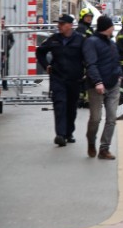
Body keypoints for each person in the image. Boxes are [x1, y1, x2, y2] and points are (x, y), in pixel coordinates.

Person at [36, 14, 86, 147]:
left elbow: (88, 57)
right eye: (59, 24)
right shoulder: (54, 39)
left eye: (62, 24)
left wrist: (86, 72)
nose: (59, 26)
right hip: (58, 78)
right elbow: (40, 52)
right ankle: (60, 135)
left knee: (71, 107)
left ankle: (69, 133)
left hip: (74, 79)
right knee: (60, 105)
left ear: (70, 25)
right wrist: (46, 65)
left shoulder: (80, 40)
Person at [83, 16, 122, 160]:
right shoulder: (91, 42)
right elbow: (91, 64)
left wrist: (119, 74)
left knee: (111, 118)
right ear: (107, 27)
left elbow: (116, 62)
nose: (114, 29)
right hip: (96, 87)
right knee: (96, 118)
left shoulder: (112, 44)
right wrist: (98, 82)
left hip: (113, 85)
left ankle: (104, 148)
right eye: (112, 26)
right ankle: (91, 140)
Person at [0, 17, 14, 91]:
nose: (2, 22)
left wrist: (8, 47)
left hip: (5, 53)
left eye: (3, 21)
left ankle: (4, 85)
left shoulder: (8, 31)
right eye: (1, 21)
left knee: (5, 69)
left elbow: (12, 41)